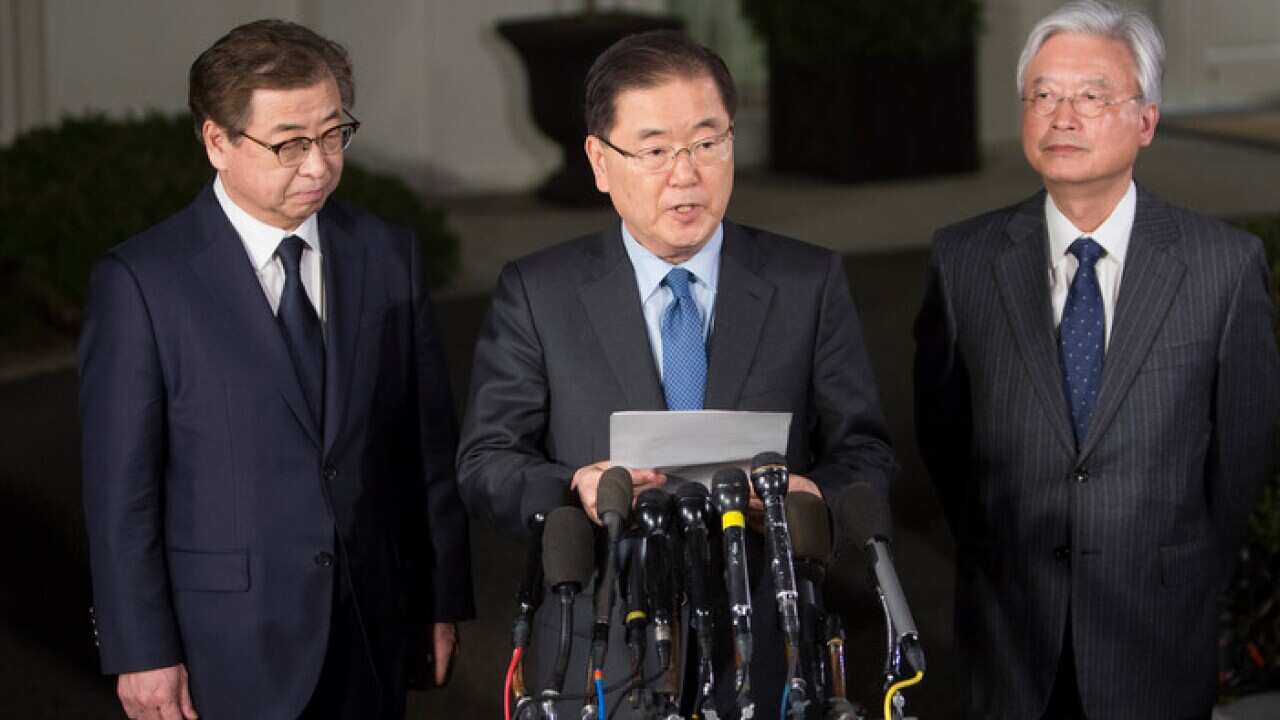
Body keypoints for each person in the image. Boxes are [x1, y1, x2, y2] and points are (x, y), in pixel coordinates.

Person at [457, 30, 897, 718]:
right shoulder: (539, 293)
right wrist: (574, 488)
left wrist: (809, 498)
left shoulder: (806, 281)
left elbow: (866, 451)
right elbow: (486, 462)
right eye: (656, 150)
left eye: (707, 142)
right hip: (601, 653)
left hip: (768, 647)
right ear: (600, 162)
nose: (686, 173)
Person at [79, 19, 473, 720]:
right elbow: (121, 493)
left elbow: (424, 452)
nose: (318, 165)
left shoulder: (387, 255)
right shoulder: (143, 282)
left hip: (371, 627)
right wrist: (140, 650)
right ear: (217, 142)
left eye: (332, 134)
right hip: (223, 645)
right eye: (289, 143)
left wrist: (438, 602)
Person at [913, 2, 1280, 718]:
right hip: (1011, 632)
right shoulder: (965, 260)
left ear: (1145, 120)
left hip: (1156, 629)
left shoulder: (1221, 268)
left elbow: (1240, 453)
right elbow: (946, 439)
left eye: (1090, 96)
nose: (1062, 116)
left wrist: (1178, 563)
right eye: (1044, 95)